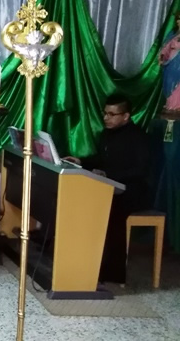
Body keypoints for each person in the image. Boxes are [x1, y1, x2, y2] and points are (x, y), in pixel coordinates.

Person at [63, 94, 150, 285]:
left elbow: (140, 170)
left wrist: (109, 175)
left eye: (112, 114)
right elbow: (101, 160)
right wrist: (81, 161)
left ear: (125, 116)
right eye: (105, 113)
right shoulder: (106, 134)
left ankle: (112, 273)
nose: (106, 118)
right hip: (109, 186)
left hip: (132, 191)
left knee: (110, 211)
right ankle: (78, 261)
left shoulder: (138, 137)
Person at [158, 14, 180, 113]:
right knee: (170, 83)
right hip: (171, 63)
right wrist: (162, 57)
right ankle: (171, 106)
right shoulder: (172, 34)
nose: (179, 21)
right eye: (178, 19)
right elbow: (165, 48)